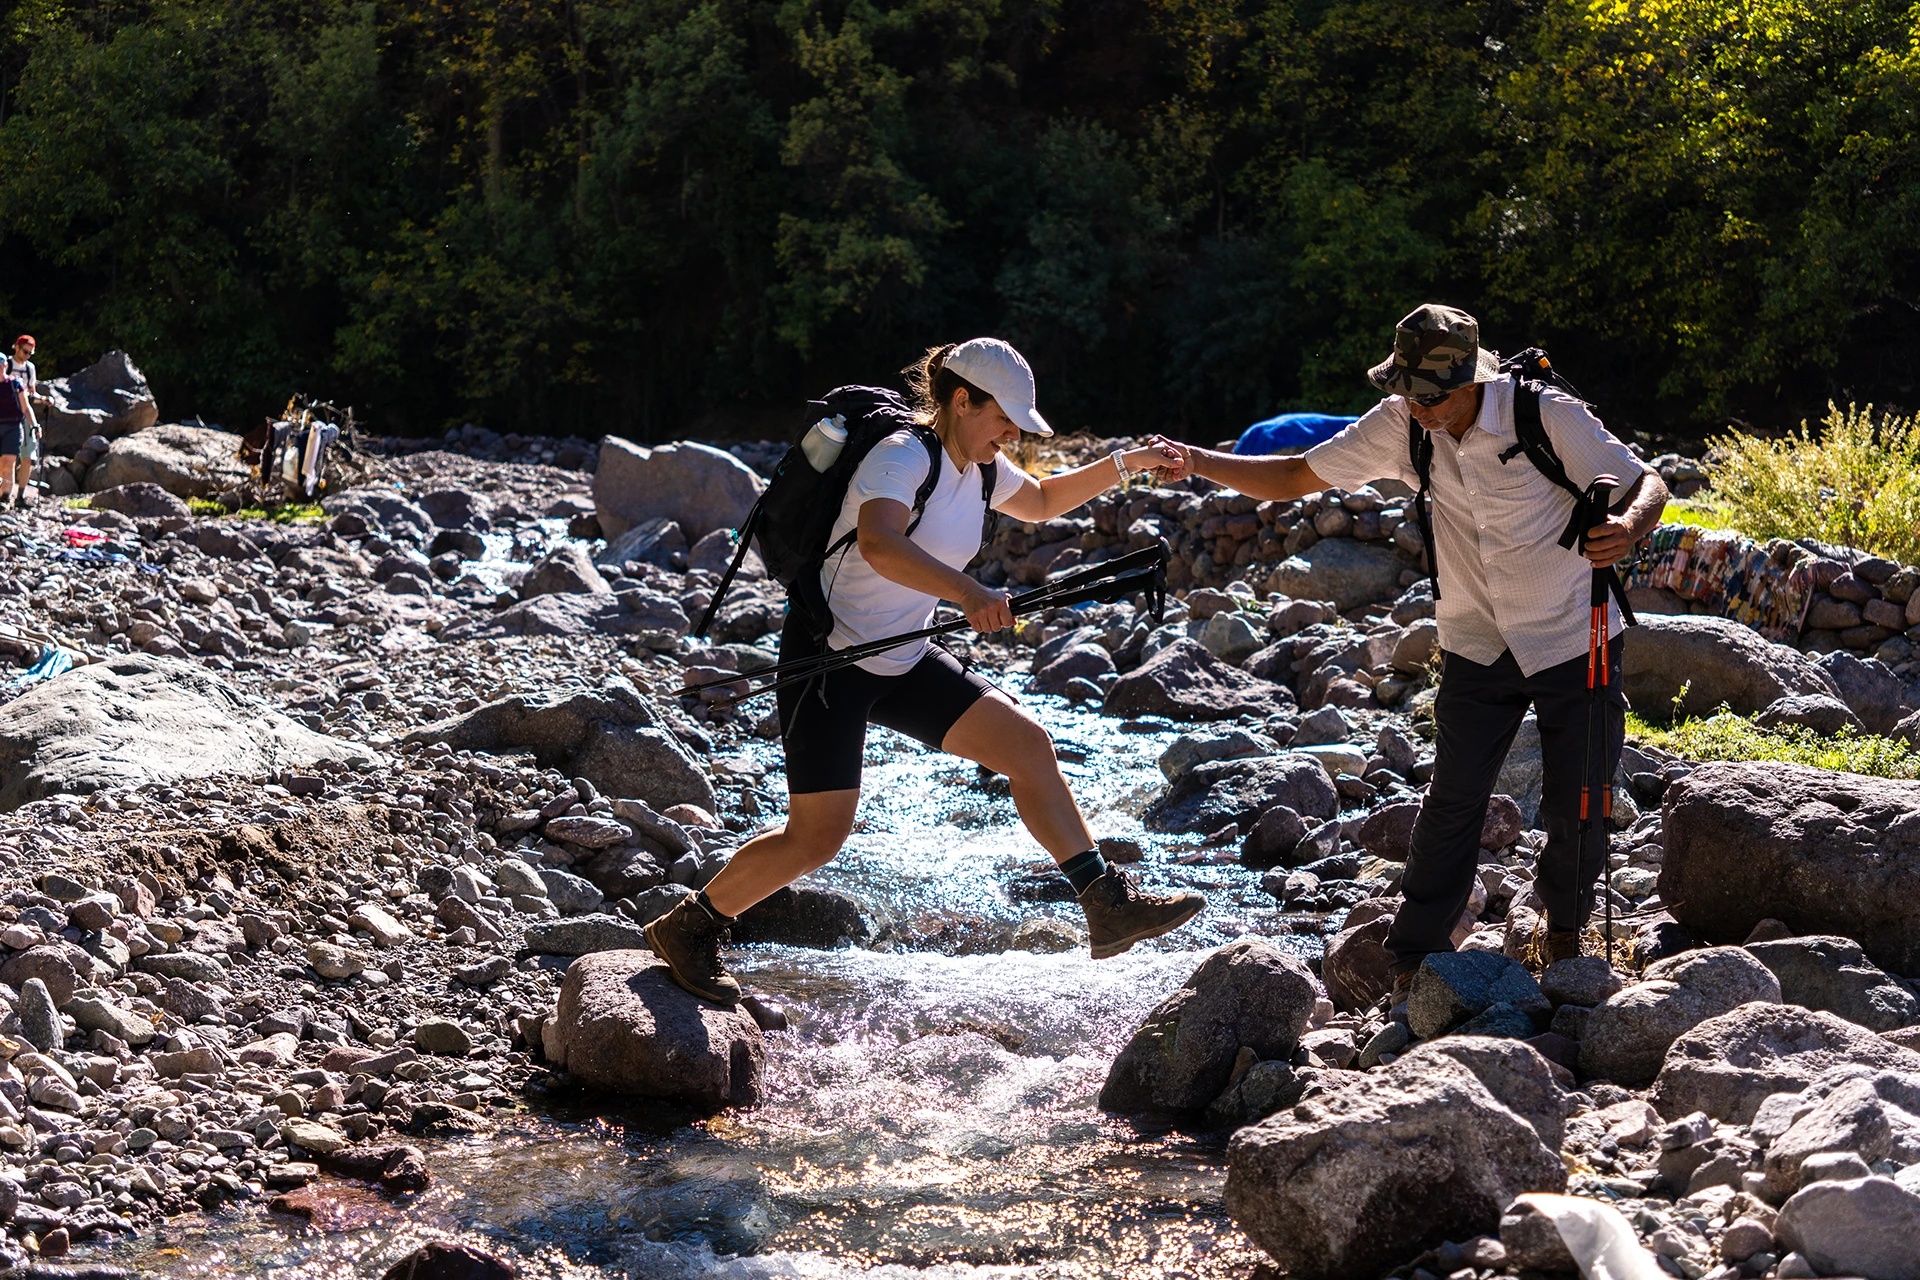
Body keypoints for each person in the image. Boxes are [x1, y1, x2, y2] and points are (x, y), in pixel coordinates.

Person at [647, 337, 1207, 1004]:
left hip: (905, 655)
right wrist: (968, 593)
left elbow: (1044, 501)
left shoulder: (983, 468)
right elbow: (881, 541)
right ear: (962, 401)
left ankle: (1105, 905)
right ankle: (692, 924)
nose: (1012, 434)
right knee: (816, 838)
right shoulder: (901, 455)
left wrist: (1130, 462)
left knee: (1027, 747)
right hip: (832, 659)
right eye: (1004, 418)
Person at [1154, 304, 1669, 996]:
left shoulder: (1543, 416)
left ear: (1472, 380)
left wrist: (1629, 528)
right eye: (1407, 392)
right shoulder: (1403, 423)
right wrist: (1194, 463)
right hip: (1477, 638)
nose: (1418, 409)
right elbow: (1291, 476)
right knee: (1451, 803)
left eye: (1431, 396)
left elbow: (1646, 480)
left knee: (1577, 804)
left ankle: (1566, 945)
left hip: (1573, 631)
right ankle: (1413, 959)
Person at [0, 352, 34, 512]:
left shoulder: (16, 384)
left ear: (6, 366)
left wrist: (34, 425)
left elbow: (26, 407)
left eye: (1, 365)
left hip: (13, 427)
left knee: (9, 463)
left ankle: (4, 498)